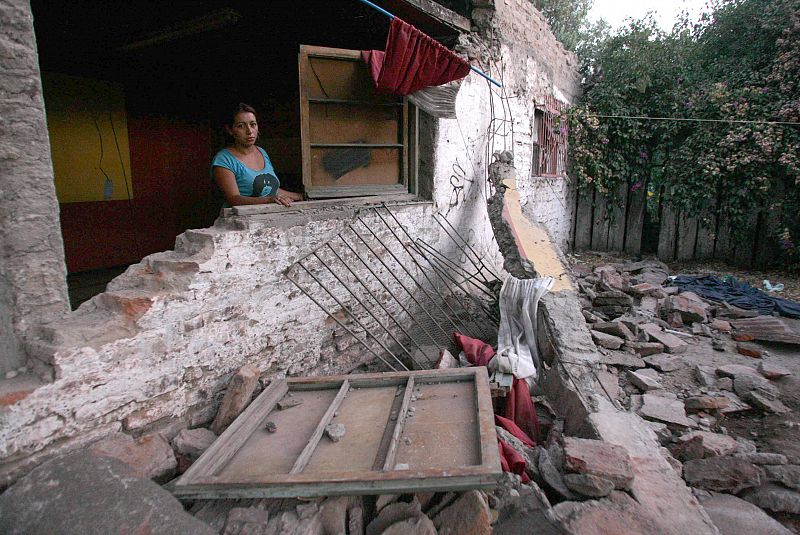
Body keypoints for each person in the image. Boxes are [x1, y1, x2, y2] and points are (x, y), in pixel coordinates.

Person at [211, 103, 303, 207]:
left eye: (253, 124)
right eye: (241, 126)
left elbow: (271, 190)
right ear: (230, 130)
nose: (249, 131)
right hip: (240, 216)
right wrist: (269, 200)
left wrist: (300, 196)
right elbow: (233, 199)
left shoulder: (261, 152)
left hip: (268, 215)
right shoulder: (224, 159)